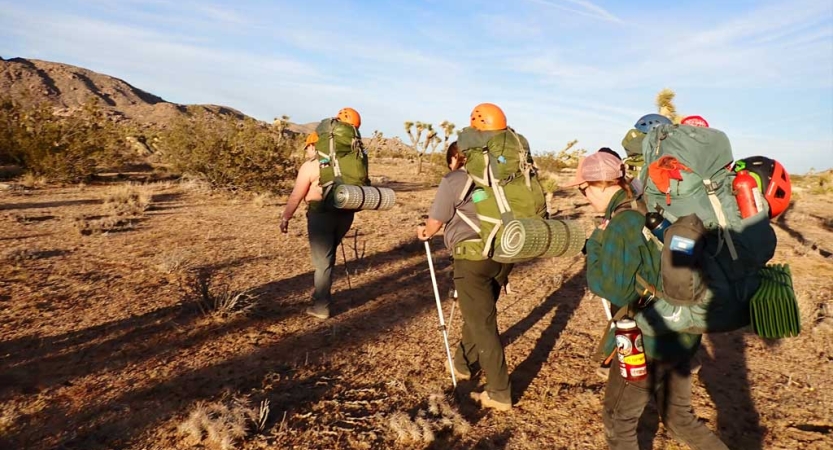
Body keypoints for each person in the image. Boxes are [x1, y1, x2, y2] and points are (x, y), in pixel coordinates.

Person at [566, 152, 728, 450]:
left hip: (646, 338)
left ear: (599, 184)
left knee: (619, 420)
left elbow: (615, 290)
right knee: (679, 418)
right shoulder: (647, 206)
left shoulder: (620, 224)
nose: (585, 196)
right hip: (683, 328)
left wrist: (596, 246)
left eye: (583, 189)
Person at [416, 140, 513, 412]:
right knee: (478, 313)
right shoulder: (502, 176)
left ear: (454, 159)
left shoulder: (455, 179)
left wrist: (425, 231)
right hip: (506, 250)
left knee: (483, 324)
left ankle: (500, 392)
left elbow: (436, 221)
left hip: (473, 256)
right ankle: (462, 364)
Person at [280, 115, 358, 320]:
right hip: (345, 214)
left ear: (315, 146)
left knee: (322, 261)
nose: (306, 151)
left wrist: (286, 216)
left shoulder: (311, 166)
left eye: (307, 147)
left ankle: (321, 306)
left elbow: (297, 194)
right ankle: (320, 293)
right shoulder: (343, 164)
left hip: (321, 216)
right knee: (328, 256)